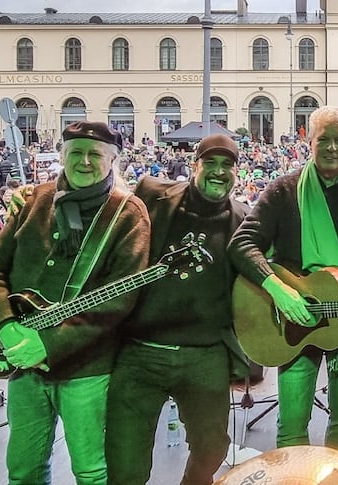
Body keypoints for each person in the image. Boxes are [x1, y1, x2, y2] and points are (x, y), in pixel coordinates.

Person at [0, 121, 151, 485]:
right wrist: (5, 328)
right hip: (22, 362)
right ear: (62, 155)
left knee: (91, 471)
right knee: (23, 470)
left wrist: (48, 345)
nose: (84, 161)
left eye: (95, 154)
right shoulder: (34, 201)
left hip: (87, 369)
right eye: (76, 153)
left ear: (113, 159)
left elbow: (119, 302)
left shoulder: (127, 214)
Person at [228, 106, 338, 455]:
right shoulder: (283, 191)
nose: (330, 147)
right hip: (292, 323)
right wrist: (277, 289)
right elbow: (242, 244)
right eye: (322, 139)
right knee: (293, 424)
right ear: (308, 142)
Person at [105, 134, 251, 485]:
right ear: (194, 165)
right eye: (210, 163)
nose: (218, 171)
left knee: (213, 448)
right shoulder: (152, 194)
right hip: (141, 351)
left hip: (204, 355)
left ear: (236, 172)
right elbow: (102, 210)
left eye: (227, 165)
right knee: (125, 463)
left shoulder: (244, 219)